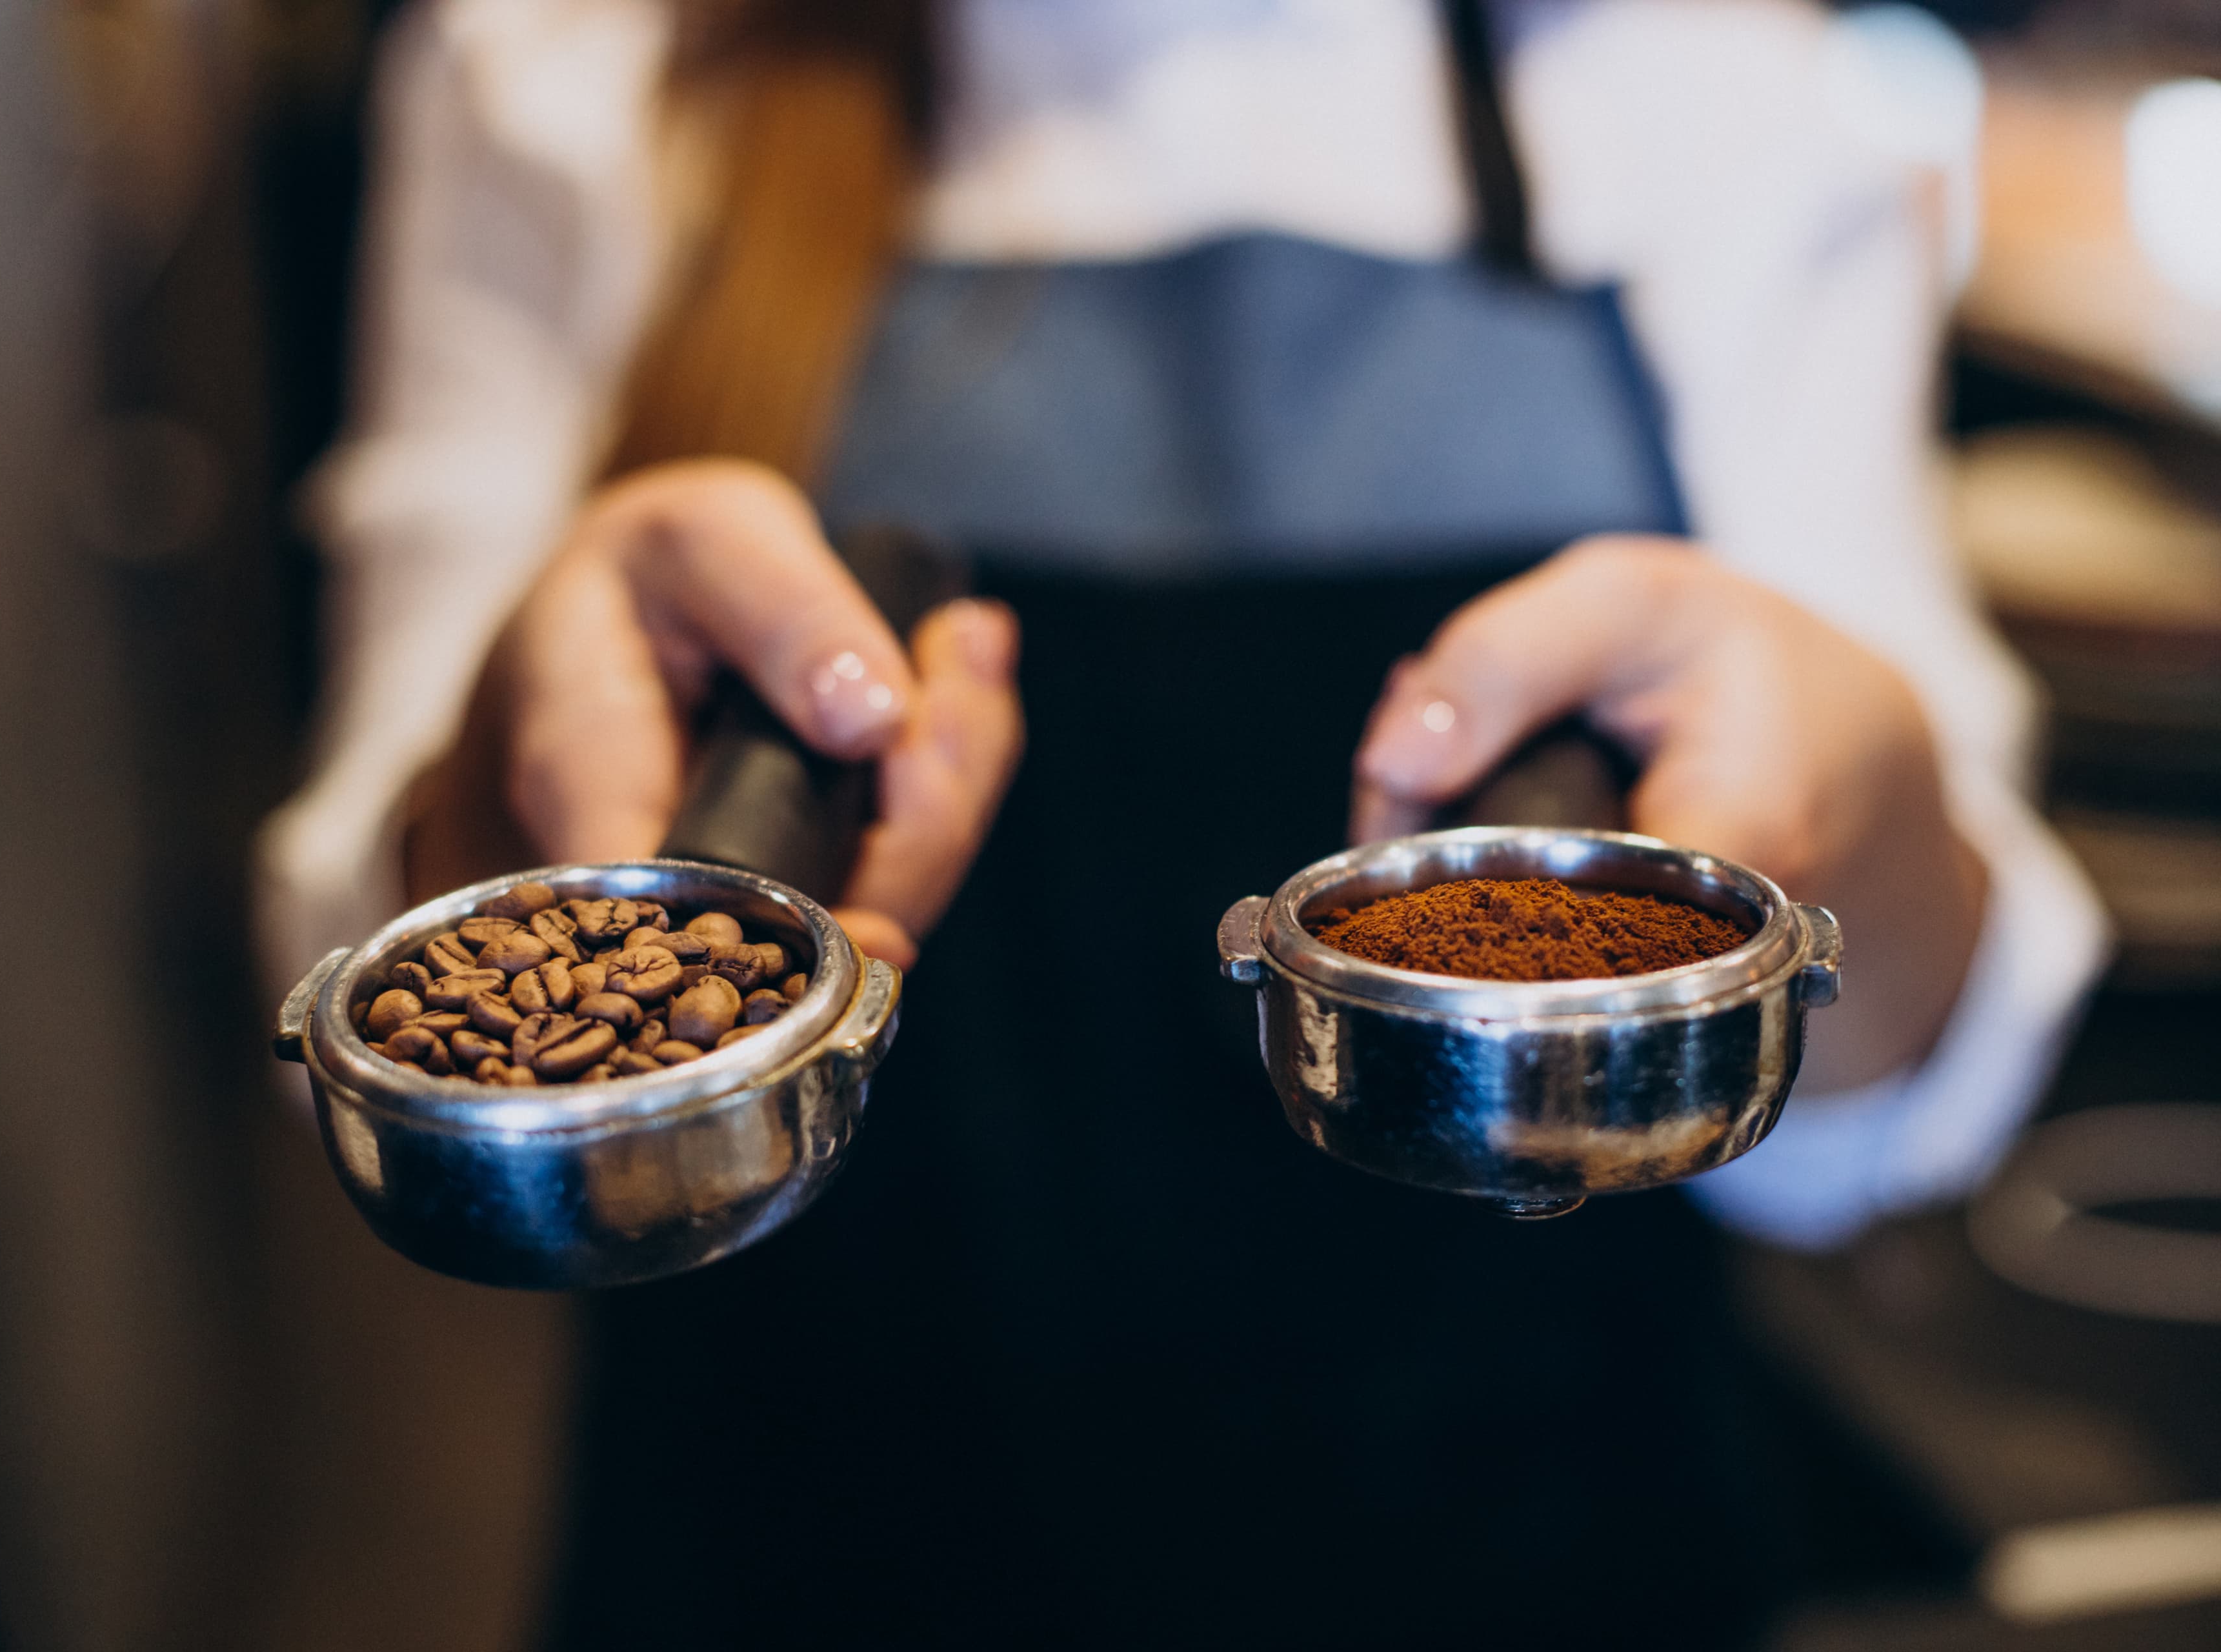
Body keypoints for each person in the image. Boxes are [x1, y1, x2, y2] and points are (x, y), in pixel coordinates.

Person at [259, 1, 2109, 1642]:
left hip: (1534, 1538)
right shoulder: (561, 66)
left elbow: (1890, 1113)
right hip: (807, 1535)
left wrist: (1854, 795)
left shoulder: (1692, 79)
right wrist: (513, 761)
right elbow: (358, 982)